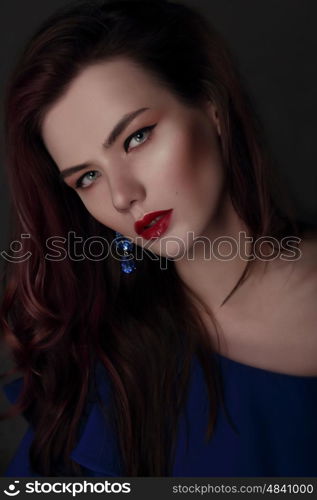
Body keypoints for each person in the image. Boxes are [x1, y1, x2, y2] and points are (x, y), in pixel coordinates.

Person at [1, 0, 317, 478]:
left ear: (211, 107)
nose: (123, 196)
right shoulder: (110, 381)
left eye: (136, 138)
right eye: (87, 177)